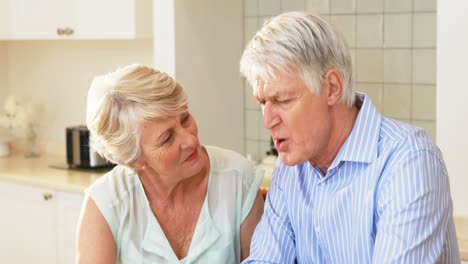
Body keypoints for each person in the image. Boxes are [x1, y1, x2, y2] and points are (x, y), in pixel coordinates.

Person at [240, 11, 460, 263]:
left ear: (332, 87)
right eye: (262, 102)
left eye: (282, 100)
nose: (267, 121)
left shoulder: (409, 161)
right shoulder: (289, 170)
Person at [76, 64, 264, 263]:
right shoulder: (106, 202)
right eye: (167, 138)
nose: (191, 141)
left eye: (185, 119)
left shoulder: (239, 179)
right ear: (135, 160)